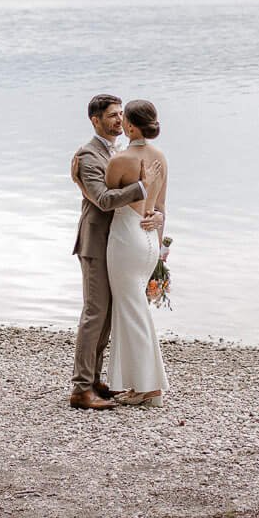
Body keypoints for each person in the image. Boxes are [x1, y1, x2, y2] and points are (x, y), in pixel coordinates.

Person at [68, 93, 162, 410]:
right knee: (94, 314)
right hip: (96, 243)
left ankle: (95, 380)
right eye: (111, 115)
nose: (118, 120)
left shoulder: (119, 151)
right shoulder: (87, 156)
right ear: (95, 120)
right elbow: (104, 200)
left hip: (120, 243)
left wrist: (154, 214)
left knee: (107, 316)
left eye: (121, 114)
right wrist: (141, 188)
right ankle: (81, 389)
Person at [103, 98, 169, 404]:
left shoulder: (120, 160)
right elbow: (160, 208)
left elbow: (105, 203)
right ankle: (141, 382)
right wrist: (160, 255)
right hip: (150, 241)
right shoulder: (160, 157)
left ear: (130, 125)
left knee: (131, 312)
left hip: (127, 238)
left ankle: (148, 387)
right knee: (136, 310)